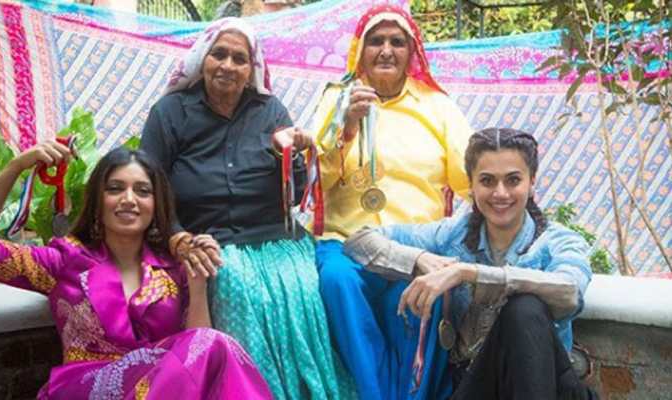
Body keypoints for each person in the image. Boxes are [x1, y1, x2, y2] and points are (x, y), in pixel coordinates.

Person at [140, 17, 355, 399]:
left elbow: (297, 194)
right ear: (202, 59)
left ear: (250, 69)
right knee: (235, 281)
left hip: (276, 241)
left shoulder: (270, 111)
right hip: (209, 241)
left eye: (239, 58)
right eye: (218, 54)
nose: (227, 65)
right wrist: (177, 238)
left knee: (303, 286)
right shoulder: (170, 112)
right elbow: (150, 185)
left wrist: (288, 154)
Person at [0, 144, 272, 399]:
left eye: (142, 191)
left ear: (156, 205)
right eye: (116, 188)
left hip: (163, 389)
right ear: (98, 201)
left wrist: (196, 284)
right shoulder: (64, 261)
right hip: (85, 389)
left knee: (214, 344)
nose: (129, 199)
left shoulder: (172, 269)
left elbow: (196, 348)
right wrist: (15, 168)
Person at [344, 128, 597, 400]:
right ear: (471, 185)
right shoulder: (454, 235)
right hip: (476, 384)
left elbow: (570, 291)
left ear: (532, 182)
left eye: (513, 180)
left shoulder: (557, 240)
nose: (501, 193)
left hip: (545, 386)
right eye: (487, 181)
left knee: (525, 309)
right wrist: (419, 259)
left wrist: (469, 273)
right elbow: (360, 240)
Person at [311, 5, 473, 400]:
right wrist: (345, 128)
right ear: (359, 50)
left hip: (415, 247)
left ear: (412, 52)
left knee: (425, 299)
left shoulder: (437, 106)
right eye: (376, 41)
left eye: (397, 42)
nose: (386, 50)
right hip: (346, 243)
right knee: (337, 282)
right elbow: (316, 181)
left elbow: (471, 177)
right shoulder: (338, 98)